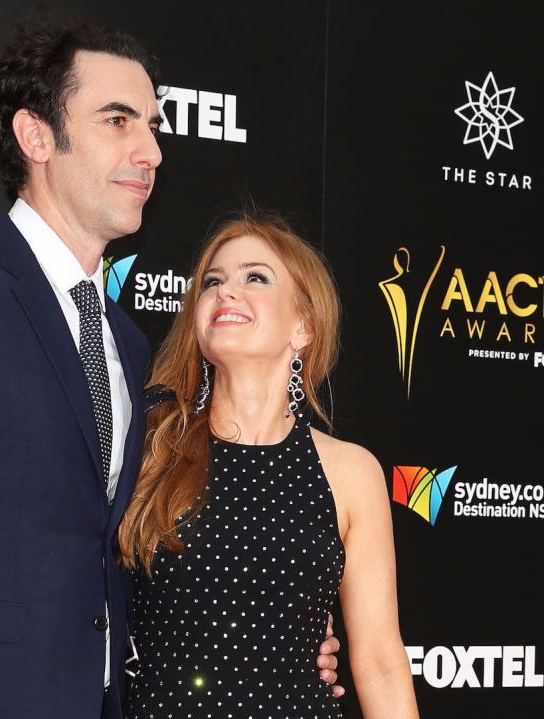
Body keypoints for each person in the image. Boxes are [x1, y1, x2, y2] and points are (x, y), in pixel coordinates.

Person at [0, 19, 340, 719]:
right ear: (36, 137)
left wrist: (283, 631)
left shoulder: (126, 344)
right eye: (117, 120)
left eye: (152, 126)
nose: (150, 150)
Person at [117, 214, 419, 718]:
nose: (225, 292)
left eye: (254, 277)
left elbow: (382, 662)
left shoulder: (351, 472)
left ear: (303, 325)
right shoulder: (149, 445)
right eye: (212, 282)